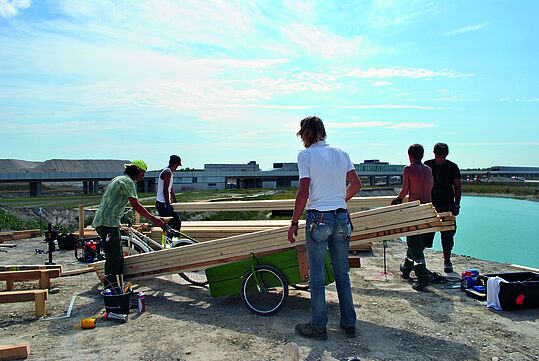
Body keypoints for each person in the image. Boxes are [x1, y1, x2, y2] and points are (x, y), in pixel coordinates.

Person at [288, 116, 362, 340]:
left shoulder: (306, 156)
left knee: (318, 275)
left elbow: (303, 191)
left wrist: (293, 222)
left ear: (306, 133)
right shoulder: (341, 153)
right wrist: (340, 200)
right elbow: (356, 184)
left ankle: (319, 327)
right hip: (341, 218)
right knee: (342, 272)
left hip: (318, 218)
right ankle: (349, 323)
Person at [92, 160, 166, 285]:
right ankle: (112, 286)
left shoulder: (118, 179)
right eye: (142, 172)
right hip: (107, 223)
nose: (142, 176)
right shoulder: (128, 182)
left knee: (116, 254)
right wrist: (154, 219)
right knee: (114, 256)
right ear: (136, 170)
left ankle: (116, 283)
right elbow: (136, 204)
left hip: (106, 222)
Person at [391, 144, 435, 291]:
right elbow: (430, 188)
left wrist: (397, 200)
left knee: (414, 243)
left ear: (409, 155)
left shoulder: (408, 169)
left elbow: (405, 190)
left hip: (415, 210)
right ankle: (406, 268)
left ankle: (422, 276)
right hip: (428, 209)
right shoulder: (428, 169)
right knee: (419, 242)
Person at [424, 143, 461, 273]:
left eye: (442, 156)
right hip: (431, 205)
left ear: (446, 155)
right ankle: (417, 261)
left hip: (447, 205)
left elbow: (457, 187)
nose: (440, 158)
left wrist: (457, 204)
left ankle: (447, 261)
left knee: (448, 235)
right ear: (434, 153)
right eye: (438, 155)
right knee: (425, 234)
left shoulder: (452, 167)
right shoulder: (427, 165)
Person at [156, 155, 182, 233]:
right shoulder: (167, 172)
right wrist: (168, 204)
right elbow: (165, 190)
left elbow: (170, 188)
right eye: (177, 166)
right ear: (175, 164)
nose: (176, 168)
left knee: (175, 224)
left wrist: (174, 201)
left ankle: (172, 242)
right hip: (162, 203)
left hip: (164, 203)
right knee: (172, 225)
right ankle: (170, 243)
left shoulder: (169, 172)